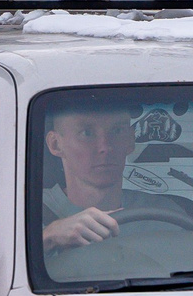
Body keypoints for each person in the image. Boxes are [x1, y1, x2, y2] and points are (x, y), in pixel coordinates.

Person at [41, 102, 136, 251]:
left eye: (117, 131)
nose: (105, 147)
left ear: (131, 140)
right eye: (87, 133)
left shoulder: (166, 214)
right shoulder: (24, 211)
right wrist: (48, 236)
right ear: (55, 144)